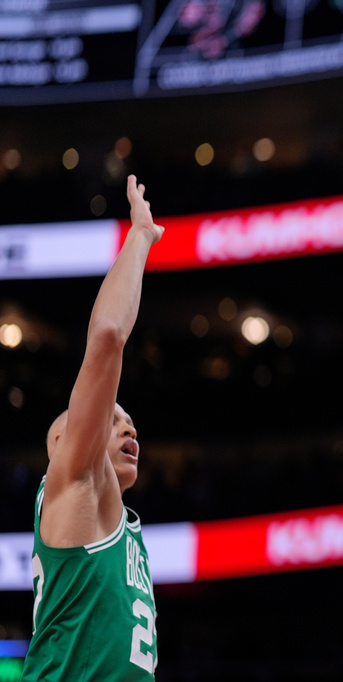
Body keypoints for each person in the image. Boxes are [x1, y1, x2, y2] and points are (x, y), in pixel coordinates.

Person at [22, 176, 165, 681]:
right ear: (63, 443)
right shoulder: (77, 481)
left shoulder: (119, 524)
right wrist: (140, 238)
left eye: (129, 421)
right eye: (112, 418)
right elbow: (107, 335)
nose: (128, 428)